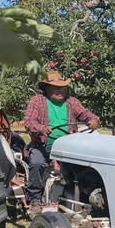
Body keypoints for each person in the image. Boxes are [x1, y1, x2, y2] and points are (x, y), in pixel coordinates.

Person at [23, 71, 100, 215]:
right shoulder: (37, 101)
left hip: (69, 146)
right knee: (37, 163)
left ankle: (85, 196)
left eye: (62, 87)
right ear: (46, 88)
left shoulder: (72, 102)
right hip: (43, 145)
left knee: (85, 166)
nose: (60, 91)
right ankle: (35, 198)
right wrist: (41, 128)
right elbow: (29, 122)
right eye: (55, 87)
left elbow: (85, 114)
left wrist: (94, 119)